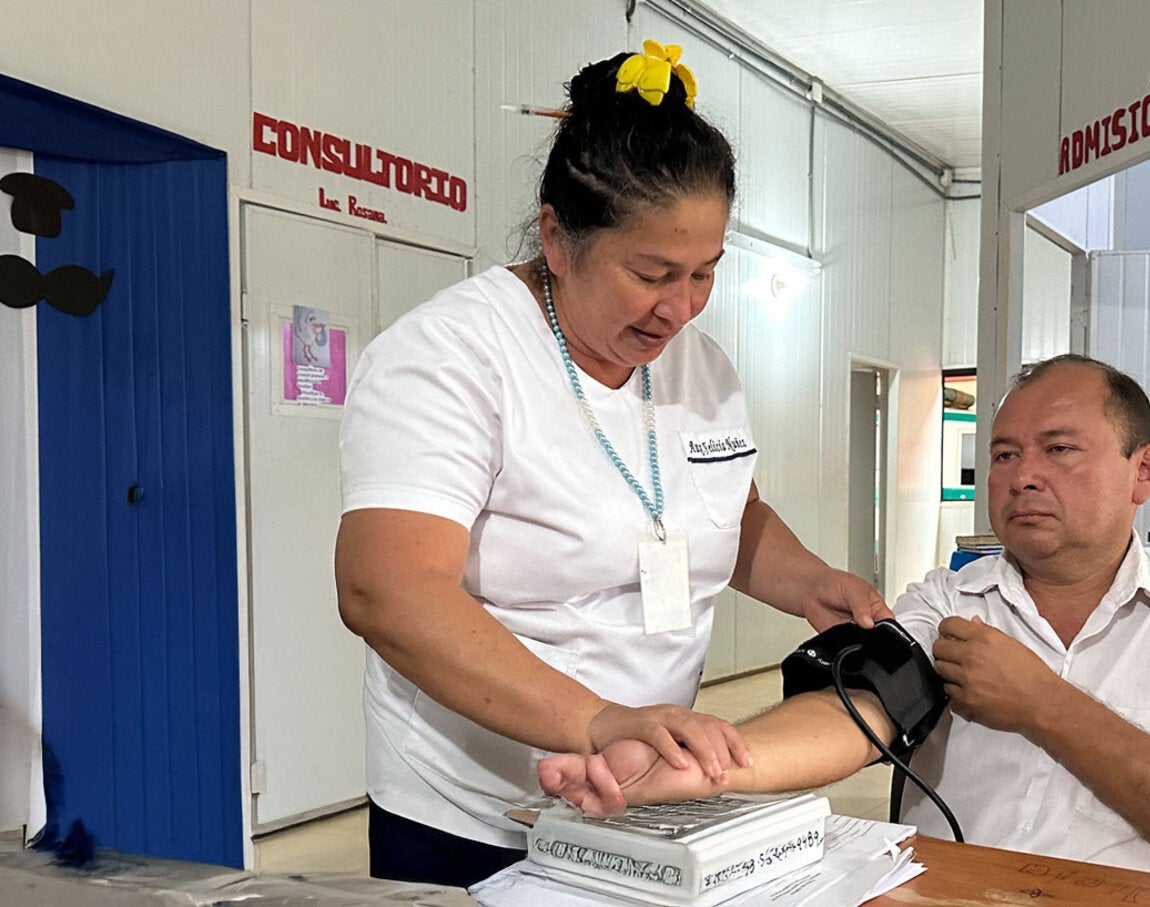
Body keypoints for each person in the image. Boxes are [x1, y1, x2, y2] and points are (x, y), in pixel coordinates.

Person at [332, 40, 890, 889]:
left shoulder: (700, 367)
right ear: (558, 236)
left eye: (705, 273)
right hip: (474, 812)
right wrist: (591, 718)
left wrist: (809, 581)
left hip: (635, 797)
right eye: (652, 272)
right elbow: (387, 590)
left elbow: (723, 508)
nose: (680, 307)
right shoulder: (451, 357)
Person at [540, 354, 1150, 891]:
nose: (1024, 477)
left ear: (1143, 472)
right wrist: (697, 767)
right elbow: (856, 711)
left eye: (1059, 449)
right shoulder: (950, 603)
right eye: (1006, 454)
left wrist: (1045, 706)